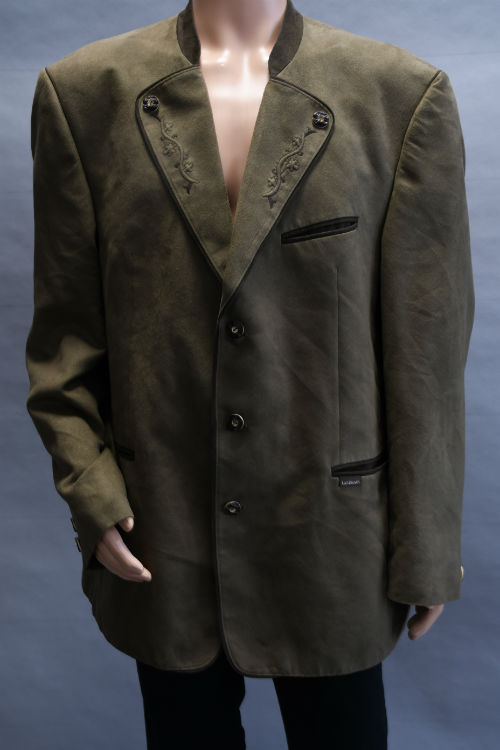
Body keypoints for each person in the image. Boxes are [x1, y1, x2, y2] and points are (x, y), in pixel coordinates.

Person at [25, 0, 474, 747]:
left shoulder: (398, 95)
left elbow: (426, 354)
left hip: (332, 533)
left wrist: (427, 545)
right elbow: (65, 337)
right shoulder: (84, 93)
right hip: (161, 526)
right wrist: (92, 492)